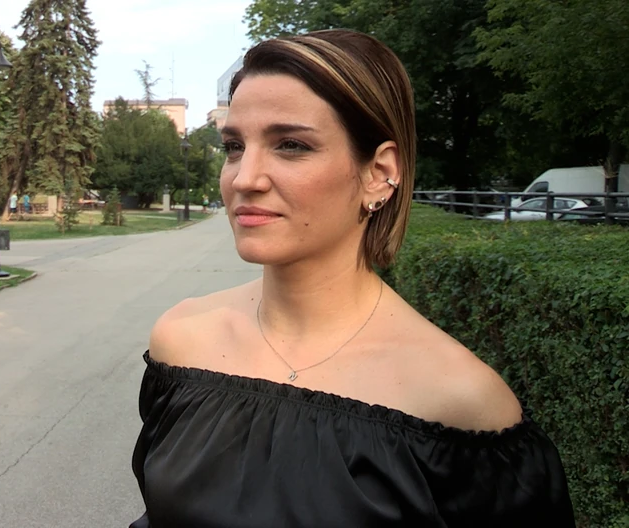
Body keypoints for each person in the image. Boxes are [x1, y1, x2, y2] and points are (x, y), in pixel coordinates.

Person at [130, 29, 574, 527]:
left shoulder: (461, 405)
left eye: (291, 145)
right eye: (234, 146)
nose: (244, 178)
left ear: (379, 173)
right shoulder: (181, 340)